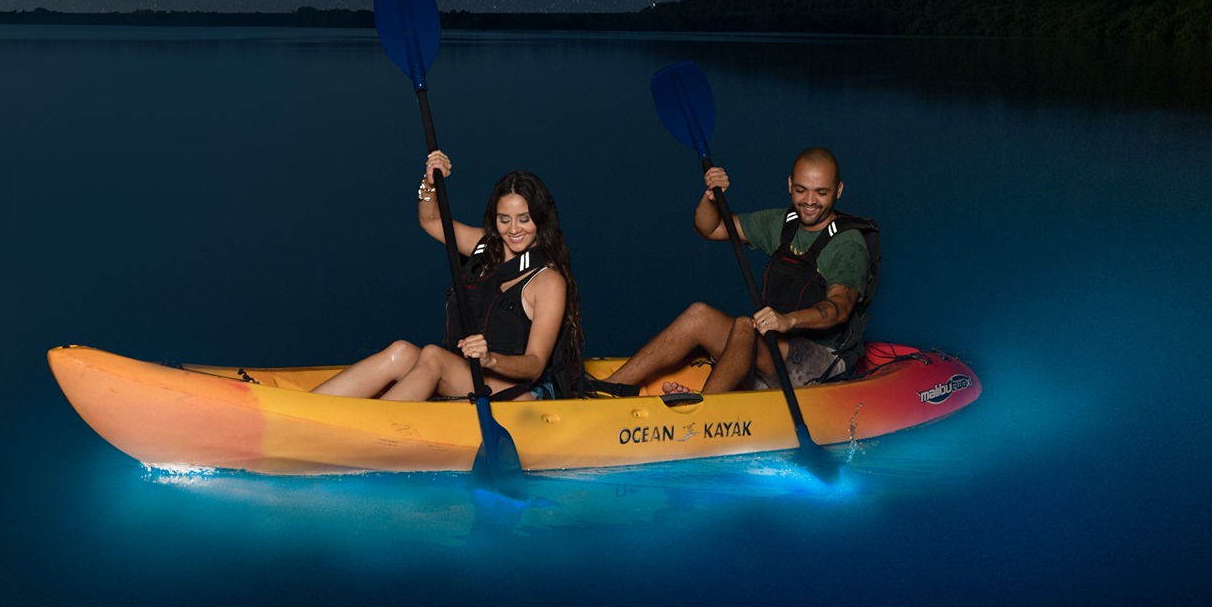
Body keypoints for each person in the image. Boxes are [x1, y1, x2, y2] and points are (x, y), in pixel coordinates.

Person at [602, 147, 877, 395]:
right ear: (790, 185)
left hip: (823, 360)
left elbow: (840, 306)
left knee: (745, 325)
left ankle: (704, 411)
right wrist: (711, 198)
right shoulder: (783, 223)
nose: (809, 201)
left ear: (838, 190)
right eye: (802, 190)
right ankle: (609, 389)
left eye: (821, 192)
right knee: (699, 314)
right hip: (773, 346)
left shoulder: (847, 243)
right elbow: (710, 228)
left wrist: (788, 320)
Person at [312, 152, 583, 401]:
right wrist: (430, 184)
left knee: (433, 357)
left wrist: (490, 359)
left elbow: (535, 364)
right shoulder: (485, 246)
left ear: (540, 219)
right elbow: (431, 220)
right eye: (504, 219)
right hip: (465, 376)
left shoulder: (548, 281)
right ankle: (306, 411)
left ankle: (364, 433)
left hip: (519, 394)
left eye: (524, 219)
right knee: (401, 352)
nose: (513, 229)